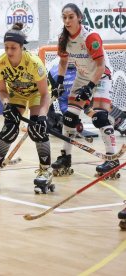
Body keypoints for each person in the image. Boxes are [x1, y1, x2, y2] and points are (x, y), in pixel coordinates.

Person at [50, 3, 120, 178]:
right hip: (82, 77)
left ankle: (112, 158)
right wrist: (59, 83)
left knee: (100, 117)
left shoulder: (90, 37)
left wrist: (89, 88)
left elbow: (100, 65)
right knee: (69, 117)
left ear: (79, 17)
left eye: (71, 17)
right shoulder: (63, 39)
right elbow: (63, 62)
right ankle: (66, 157)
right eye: (64, 17)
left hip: (100, 76)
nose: (67, 21)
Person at [0, 22, 53, 194]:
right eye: (6, 47)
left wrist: (43, 116)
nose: (9, 52)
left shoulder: (34, 63)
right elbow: (1, 90)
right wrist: (6, 105)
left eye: (13, 48)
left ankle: (46, 170)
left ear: (22, 48)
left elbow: (45, 94)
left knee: (37, 129)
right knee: (9, 128)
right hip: (17, 94)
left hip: (37, 93)